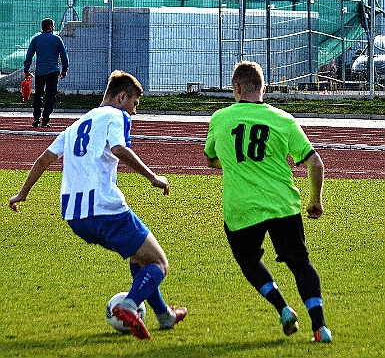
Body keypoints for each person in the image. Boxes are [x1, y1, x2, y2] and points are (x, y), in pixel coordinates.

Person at [9, 70, 187, 340]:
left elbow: (44, 158)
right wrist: (153, 177)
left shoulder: (77, 124)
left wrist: (22, 194)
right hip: (105, 209)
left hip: (75, 217)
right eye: (135, 104)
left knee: (140, 256)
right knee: (159, 264)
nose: (135, 112)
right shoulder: (117, 116)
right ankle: (128, 306)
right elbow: (119, 148)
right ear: (122, 96)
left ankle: (165, 317)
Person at [204, 61, 332, 343]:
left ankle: (283, 308)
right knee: (300, 263)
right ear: (263, 88)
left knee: (248, 261)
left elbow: (212, 159)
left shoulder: (220, 119)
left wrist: (238, 163)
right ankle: (320, 328)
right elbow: (315, 162)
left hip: (241, 209)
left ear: (236, 88)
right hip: (281, 205)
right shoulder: (284, 119)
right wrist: (315, 201)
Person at [24, 18, 69, 128]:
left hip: (40, 71)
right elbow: (64, 56)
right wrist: (64, 70)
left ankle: (36, 118)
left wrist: (26, 70)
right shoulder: (57, 39)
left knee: (38, 95)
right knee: (50, 96)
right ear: (51, 27)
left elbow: (29, 55)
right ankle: (45, 120)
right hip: (53, 71)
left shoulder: (36, 39)